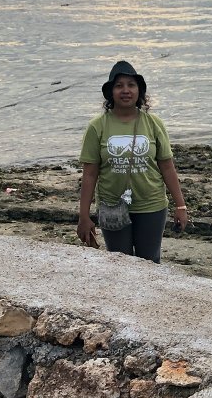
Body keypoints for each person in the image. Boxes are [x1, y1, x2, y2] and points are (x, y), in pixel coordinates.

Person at [77, 60, 188, 261]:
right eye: (119, 85)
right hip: (111, 205)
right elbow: (90, 174)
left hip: (151, 206)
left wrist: (180, 206)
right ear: (111, 92)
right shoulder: (97, 127)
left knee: (150, 262)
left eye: (131, 85)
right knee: (119, 264)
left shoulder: (154, 123)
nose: (125, 90)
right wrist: (84, 216)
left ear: (139, 91)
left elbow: (167, 167)